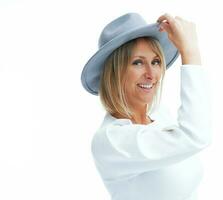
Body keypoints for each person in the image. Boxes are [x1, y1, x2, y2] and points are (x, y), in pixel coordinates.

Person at [81, 12, 212, 200]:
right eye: (138, 63)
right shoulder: (111, 140)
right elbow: (196, 135)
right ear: (114, 73)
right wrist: (190, 52)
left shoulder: (160, 116)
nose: (151, 74)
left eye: (156, 61)